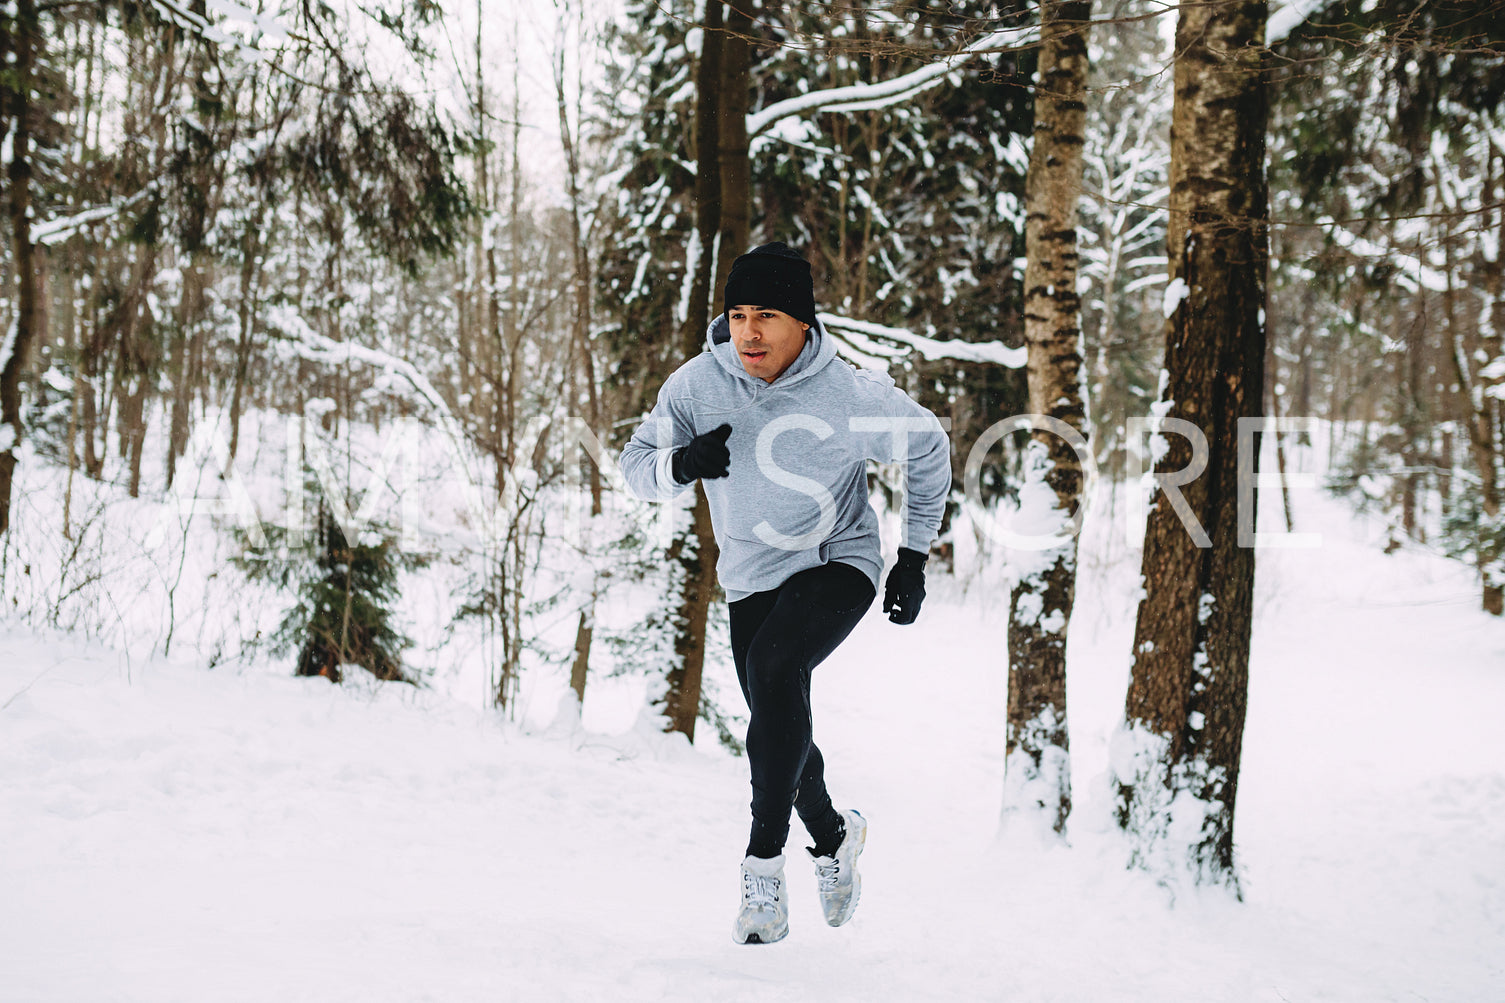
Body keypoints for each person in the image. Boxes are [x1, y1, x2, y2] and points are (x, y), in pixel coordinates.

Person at [619, 241, 950, 945]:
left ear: (802, 322)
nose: (749, 332)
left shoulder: (849, 394)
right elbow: (634, 467)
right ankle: (834, 836)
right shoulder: (693, 386)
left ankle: (762, 867)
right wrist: (680, 463)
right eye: (737, 314)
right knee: (778, 712)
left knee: (773, 670)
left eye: (766, 314)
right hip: (748, 575)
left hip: (838, 559)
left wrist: (913, 554)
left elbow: (928, 447)